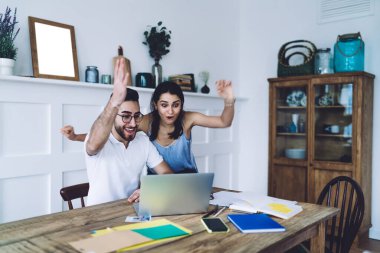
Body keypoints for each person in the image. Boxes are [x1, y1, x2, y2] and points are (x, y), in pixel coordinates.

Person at [62, 78, 235, 174]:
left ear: (182, 105)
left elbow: (224, 122)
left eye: (176, 105)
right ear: (155, 104)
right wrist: (75, 137)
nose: (170, 111)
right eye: (164, 105)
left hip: (188, 182)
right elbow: (111, 134)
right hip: (157, 186)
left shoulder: (189, 119)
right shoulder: (144, 121)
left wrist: (228, 101)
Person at [85, 58, 172, 206]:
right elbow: (93, 146)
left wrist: (150, 189)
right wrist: (114, 102)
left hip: (130, 212)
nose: (132, 123)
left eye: (136, 116)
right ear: (113, 115)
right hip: (97, 217)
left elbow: (167, 174)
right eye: (125, 116)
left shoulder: (142, 140)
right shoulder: (98, 140)